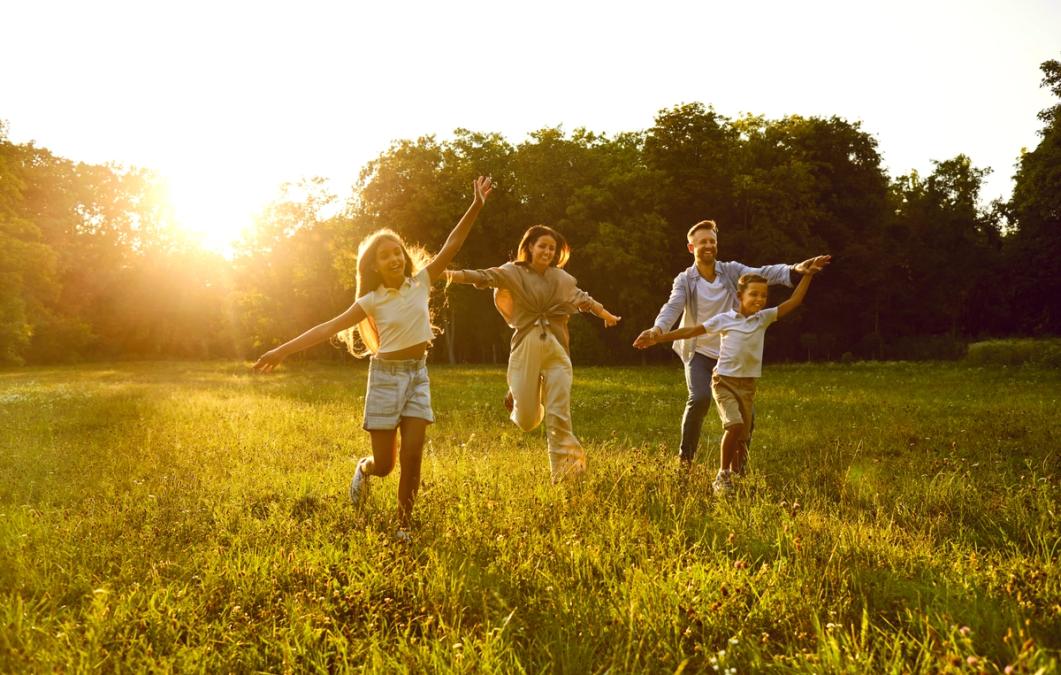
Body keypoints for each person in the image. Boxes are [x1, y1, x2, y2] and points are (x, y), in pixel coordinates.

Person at [253, 176, 493, 530]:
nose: (394, 257)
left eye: (397, 251)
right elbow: (325, 328)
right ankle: (363, 470)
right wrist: (282, 350)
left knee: (413, 456)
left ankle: (404, 524)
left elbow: (451, 245)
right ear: (374, 266)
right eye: (385, 255)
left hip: (417, 376)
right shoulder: (370, 300)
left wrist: (476, 204)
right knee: (385, 465)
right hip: (384, 380)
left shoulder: (422, 281)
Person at [634, 220, 830, 473]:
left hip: (731, 354)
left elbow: (763, 273)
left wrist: (796, 269)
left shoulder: (730, 270)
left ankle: (739, 468)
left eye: (712, 241)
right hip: (700, 352)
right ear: (691, 247)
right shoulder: (685, 280)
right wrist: (657, 330)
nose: (708, 245)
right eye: (702, 241)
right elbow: (673, 306)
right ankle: (685, 460)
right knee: (700, 398)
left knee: (747, 417)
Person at [446, 225, 621, 483]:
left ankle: (568, 476)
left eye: (552, 248)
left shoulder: (561, 279)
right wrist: (447, 273)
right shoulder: (512, 272)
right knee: (527, 421)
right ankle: (524, 393)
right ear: (530, 247)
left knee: (559, 415)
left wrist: (605, 314)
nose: (548, 251)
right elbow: (483, 276)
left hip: (557, 351)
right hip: (526, 347)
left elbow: (582, 298)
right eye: (542, 246)